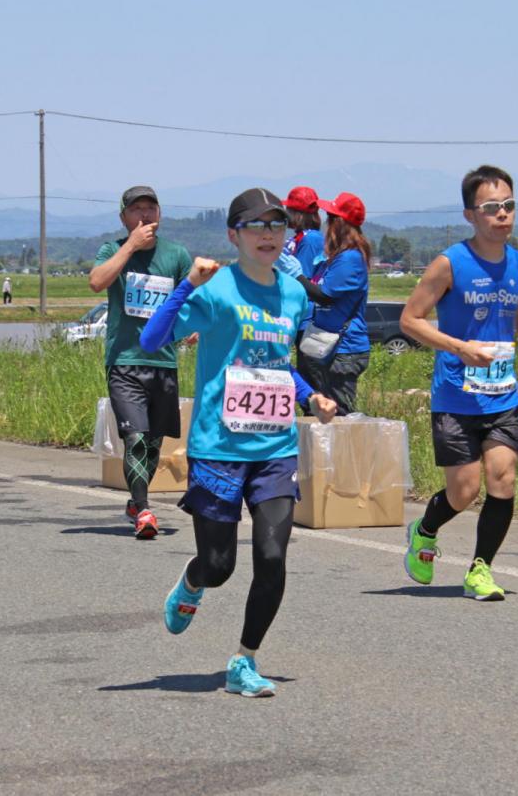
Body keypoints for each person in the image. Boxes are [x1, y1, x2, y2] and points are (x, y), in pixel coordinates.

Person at [140, 187, 337, 697]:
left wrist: (310, 397)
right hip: (218, 449)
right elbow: (151, 340)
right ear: (235, 235)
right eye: (257, 226)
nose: (270, 235)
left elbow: (276, 366)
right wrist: (187, 284)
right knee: (221, 566)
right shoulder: (217, 289)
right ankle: (193, 580)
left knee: (272, 557)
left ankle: (244, 661)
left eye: (278, 226)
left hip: (274, 450)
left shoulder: (293, 294)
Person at [399, 165, 518, 601]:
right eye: (491, 208)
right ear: (470, 214)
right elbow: (410, 320)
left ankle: (480, 570)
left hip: (502, 395)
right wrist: (459, 347)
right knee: (463, 492)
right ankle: (424, 530)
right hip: (456, 395)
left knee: (503, 479)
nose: (502, 215)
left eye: (508, 206)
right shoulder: (451, 263)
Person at [88, 185, 193, 538]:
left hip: (163, 362)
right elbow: (96, 282)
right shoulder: (113, 249)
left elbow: (192, 299)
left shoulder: (176, 255)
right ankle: (144, 511)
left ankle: (136, 500)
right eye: (136, 210)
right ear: (124, 218)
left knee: (152, 442)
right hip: (124, 360)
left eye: (151, 209)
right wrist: (131, 246)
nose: (144, 216)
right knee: (134, 437)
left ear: (160, 215)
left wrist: (192, 328)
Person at [292, 192, 372, 416]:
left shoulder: (350, 259)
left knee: (338, 416)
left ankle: (344, 453)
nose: (326, 223)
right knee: (320, 411)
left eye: (331, 217)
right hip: (328, 346)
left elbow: (324, 296)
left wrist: (296, 275)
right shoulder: (337, 258)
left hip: (343, 349)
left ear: (339, 223)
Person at [281, 187, 324, 278]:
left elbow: (303, 278)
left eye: (288, 209)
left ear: (297, 214)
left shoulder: (311, 240)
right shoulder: (301, 237)